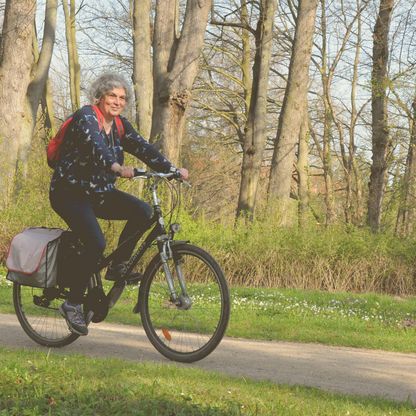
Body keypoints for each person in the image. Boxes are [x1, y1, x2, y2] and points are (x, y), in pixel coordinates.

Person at [50, 72, 188, 336]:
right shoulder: (86, 117)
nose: (117, 101)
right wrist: (115, 166)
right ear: (100, 97)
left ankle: (117, 267)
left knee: (144, 211)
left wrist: (171, 169)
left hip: (99, 193)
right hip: (69, 194)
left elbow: (144, 148)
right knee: (96, 242)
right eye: (112, 95)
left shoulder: (121, 126)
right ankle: (72, 303)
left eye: (122, 97)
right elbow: (95, 146)